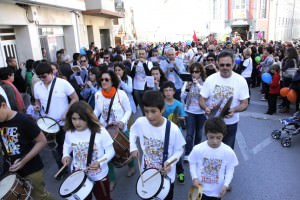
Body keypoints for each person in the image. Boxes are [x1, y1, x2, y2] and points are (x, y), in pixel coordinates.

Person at [130, 90, 186, 200]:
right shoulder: (141, 122)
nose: (149, 116)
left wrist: (169, 162)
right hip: (147, 173)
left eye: (153, 111)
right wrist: (133, 147)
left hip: (166, 176)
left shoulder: (173, 129)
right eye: (146, 111)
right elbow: (132, 131)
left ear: (162, 109)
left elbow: (179, 150)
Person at [0, 94, 55, 200]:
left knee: (40, 197)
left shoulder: (23, 120)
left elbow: (42, 141)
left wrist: (23, 161)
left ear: (3, 105)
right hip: (13, 171)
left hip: (31, 169)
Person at [33, 62, 79, 179]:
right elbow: (37, 100)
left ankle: (77, 168)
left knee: (68, 146)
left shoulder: (62, 83)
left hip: (64, 123)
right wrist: (37, 106)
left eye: (44, 76)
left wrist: (67, 112)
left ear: (51, 72)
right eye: (39, 77)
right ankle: (62, 169)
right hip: (48, 125)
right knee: (55, 149)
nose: (42, 79)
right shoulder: (37, 86)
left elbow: (75, 98)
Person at [62, 101, 115, 200]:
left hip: (99, 175)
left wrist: (99, 162)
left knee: (103, 198)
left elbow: (110, 151)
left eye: (81, 119)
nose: (77, 122)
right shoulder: (69, 132)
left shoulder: (100, 131)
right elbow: (67, 145)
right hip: (78, 174)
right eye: (74, 119)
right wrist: (65, 155)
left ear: (88, 117)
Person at [199, 51, 249, 149]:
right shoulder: (210, 79)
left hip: (230, 123)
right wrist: (205, 108)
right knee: (211, 150)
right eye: (222, 65)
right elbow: (201, 99)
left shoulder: (240, 80)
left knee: (227, 150)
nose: (225, 67)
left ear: (233, 64)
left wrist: (234, 110)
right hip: (212, 122)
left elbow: (244, 103)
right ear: (217, 64)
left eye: (228, 65)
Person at [94, 70, 132, 191]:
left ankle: (131, 166)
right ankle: (112, 179)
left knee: (127, 150)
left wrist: (122, 122)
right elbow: (97, 111)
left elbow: (128, 110)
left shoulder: (121, 94)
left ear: (112, 81)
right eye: (102, 80)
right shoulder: (98, 95)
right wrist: (92, 120)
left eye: (107, 79)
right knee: (107, 156)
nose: (104, 82)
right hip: (105, 131)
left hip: (121, 129)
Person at [188, 117, 238, 200]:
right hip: (200, 189)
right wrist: (195, 178)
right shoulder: (198, 149)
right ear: (206, 134)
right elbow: (192, 163)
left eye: (219, 137)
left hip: (217, 192)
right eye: (211, 137)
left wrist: (226, 184)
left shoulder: (228, 151)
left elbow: (230, 169)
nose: (215, 141)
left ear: (223, 135)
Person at [161, 81, 186, 184]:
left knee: (177, 153)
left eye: (170, 90)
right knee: (165, 152)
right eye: (166, 90)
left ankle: (180, 172)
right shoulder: (161, 103)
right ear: (163, 92)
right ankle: (165, 169)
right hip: (164, 132)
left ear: (174, 91)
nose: (168, 92)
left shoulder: (179, 104)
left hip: (177, 132)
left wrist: (178, 118)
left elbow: (183, 117)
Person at [181, 63, 206, 159]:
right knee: (189, 134)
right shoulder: (187, 82)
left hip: (201, 112)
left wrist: (197, 85)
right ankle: (187, 153)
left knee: (199, 134)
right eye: (192, 72)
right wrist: (187, 89)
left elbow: (205, 94)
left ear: (200, 72)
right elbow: (182, 97)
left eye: (197, 72)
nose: (194, 74)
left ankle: (196, 151)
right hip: (190, 111)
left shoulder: (204, 82)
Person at [130, 48, 153, 114]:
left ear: (146, 54)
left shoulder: (149, 63)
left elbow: (149, 74)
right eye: (140, 54)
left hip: (145, 88)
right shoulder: (134, 63)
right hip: (136, 87)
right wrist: (135, 66)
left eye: (143, 54)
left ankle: (146, 116)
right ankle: (144, 116)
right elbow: (132, 75)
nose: (141, 55)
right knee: (140, 105)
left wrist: (144, 64)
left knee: (146, 105)